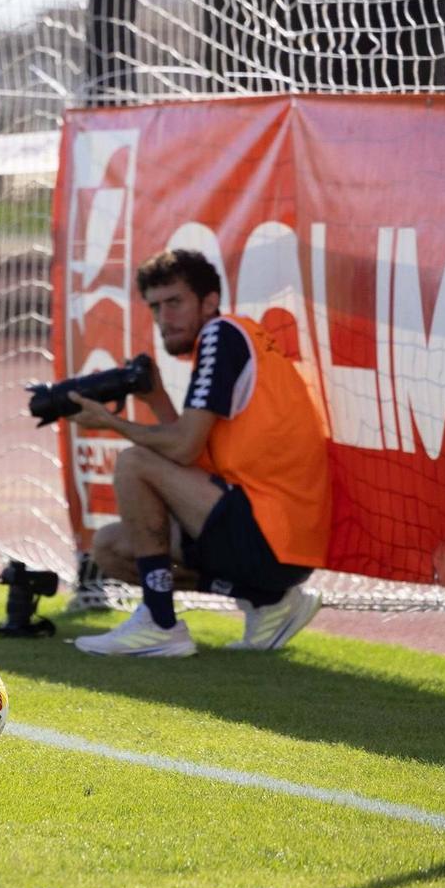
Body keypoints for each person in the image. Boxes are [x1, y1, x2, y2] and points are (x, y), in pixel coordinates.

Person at [63, 247, 330, 657]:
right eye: (155, 307)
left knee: (134, 462)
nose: (164, 317)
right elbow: (194, 452)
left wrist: (111, 422)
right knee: (111, 548)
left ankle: (159, 623)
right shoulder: (229, 341)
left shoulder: (222, 335)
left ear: (209, 302)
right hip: (275, 540)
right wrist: (157, 400)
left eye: (174, 302)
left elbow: (184, 448)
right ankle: (268, 601)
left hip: (272, 532)